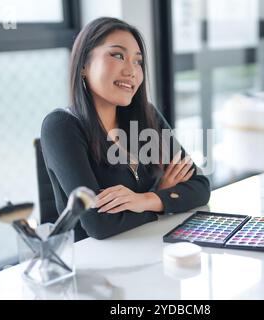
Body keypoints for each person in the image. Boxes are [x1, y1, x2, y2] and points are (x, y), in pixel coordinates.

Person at [41, 17, 210, 240]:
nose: (132, 71)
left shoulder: (145, 115)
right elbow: (100, 224)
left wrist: (146, 200)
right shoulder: (61, 126)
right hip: (94, 262)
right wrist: (162, 196)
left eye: (138, 62)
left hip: (148, 247)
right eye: (118, 55)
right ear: (84, 65)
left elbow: (200, 187)